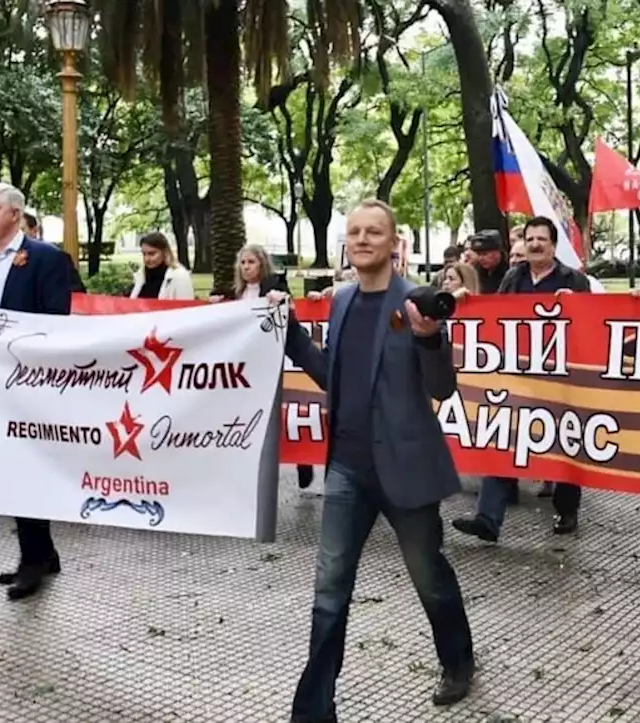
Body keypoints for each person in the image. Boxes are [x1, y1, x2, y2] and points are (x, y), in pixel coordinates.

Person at [288, 200, 475, 720]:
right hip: (346, 470)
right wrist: (287, 332)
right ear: (345, 243)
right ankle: (313, 709)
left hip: (404, 471)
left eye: (374, 232)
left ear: (395, 243)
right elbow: (333, 376)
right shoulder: (342, 301)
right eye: (355, 232)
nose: (363, 240)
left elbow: (442, 387)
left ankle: (458, 660)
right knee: (329, 589)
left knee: (428, 575)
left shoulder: (416, 302)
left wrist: (428, 338)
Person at [0, 183, 75, 601]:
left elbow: (57, 319)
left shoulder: (47, 259)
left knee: (28, 466)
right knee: (10, 464)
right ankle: (44, 553)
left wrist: (12, 351)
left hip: (33, 384)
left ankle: (33, 560)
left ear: (15, 215)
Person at [451, 216, 591, 542]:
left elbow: (590, 326)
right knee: (506, 438)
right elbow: (495, 316)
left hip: (560, 378)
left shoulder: (573, 280)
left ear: (553, 244)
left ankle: (567, 510)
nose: (535, 244)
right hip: (519, 375)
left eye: (542, 239)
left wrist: (576, 306)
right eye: (530, 239)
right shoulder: (514, 277)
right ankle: (488, 519)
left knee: (564, 443)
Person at [211, 245, 318, 491]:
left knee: (284, 409)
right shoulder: (235, 291)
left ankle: (304, 459)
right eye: (243, 263)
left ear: (262, 264)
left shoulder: (275, 285)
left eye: (251, 262)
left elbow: (291, 316)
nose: (246, 267)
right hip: (246, 362)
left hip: (271, 359)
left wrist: (284, 302)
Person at [130, 231, 195, 300]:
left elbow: (186, 306)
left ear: (165, 252)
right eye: (144, 254)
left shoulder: (179, 275)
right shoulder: (141, 274)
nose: (147, 259)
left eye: (152, 254)